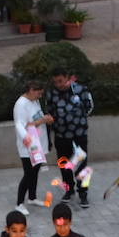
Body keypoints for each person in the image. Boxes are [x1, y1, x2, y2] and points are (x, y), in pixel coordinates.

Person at [48, 68, 95, 208]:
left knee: (82, 166)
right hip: (61, 137)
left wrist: (77, 119)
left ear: (67, 78)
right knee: (64, 166)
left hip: (79, 136)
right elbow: (49, 112)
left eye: (60, 81)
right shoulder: (52, 94)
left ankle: (83, 193)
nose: (58, 84)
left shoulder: (81, 90)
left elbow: (89, 107)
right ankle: (69, 190)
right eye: (55, 82)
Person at [12, 82, 52, 216]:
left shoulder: (34, 101)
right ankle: (19, 203)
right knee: (28, 174)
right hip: (28, 146)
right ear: (30, 90)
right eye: (38, 93)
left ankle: (32, 197)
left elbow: (35, 120)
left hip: (37, 144)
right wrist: (41, 121)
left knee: (35, 172)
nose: (40, 96)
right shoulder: (21, 104)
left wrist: (45, 119)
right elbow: (20, 124)